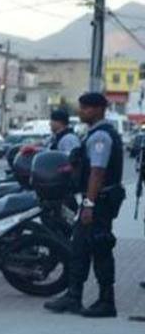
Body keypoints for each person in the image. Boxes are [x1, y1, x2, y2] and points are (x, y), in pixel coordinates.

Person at [45, 92, 124, 318]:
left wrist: (88, 204)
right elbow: (85, 166)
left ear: (99, 109)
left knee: (100, 249)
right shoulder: (93, 134)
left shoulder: (101, 137)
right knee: (79, 248)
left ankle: (106, 302)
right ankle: (73, 297)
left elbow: (97, 174)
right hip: (96, 201)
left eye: (86, 108)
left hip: (99, 202)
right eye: (81, 107)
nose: (81, 112)